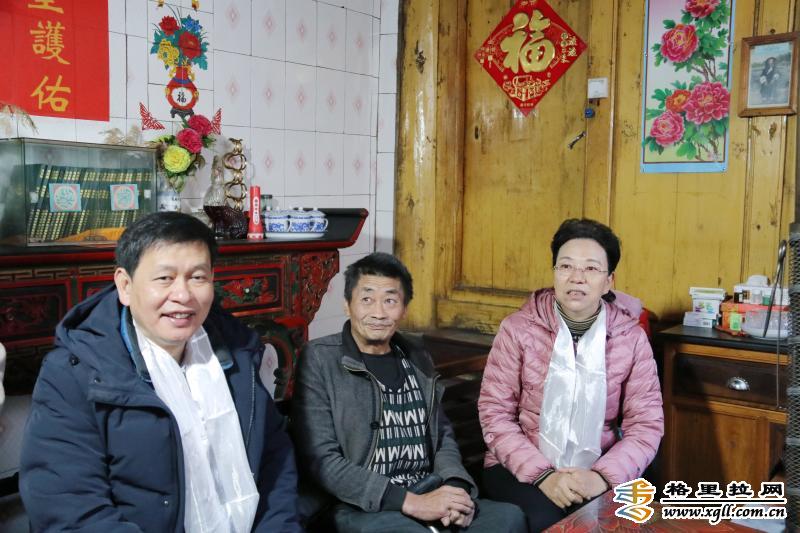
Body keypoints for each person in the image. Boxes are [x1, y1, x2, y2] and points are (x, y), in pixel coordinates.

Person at [20, 212, 302, 532]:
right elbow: (69, 506)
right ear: (125, 286)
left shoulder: (236, 352)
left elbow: (274, 460)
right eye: (165, 278)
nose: (183, 295)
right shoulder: (73, 373)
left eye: (197, 277)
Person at [291, 252, 526, 532]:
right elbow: (322, 460)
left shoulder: (415, 356)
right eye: (367, 299)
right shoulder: (320, 359)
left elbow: (442, 437)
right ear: (347, 305)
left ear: (404, 310)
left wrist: (455, 490)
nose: (378, 313)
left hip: (428, 488)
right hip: (360, 505)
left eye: (390, 301)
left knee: (509, 518)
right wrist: (410, 502)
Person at [478, 218, 663, 532]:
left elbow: (645, 424)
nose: (577, 277)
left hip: (600, 467)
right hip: (519, 466)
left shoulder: (630, 338)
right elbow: (494, 413)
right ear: (554, 273)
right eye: (566, 266)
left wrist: (601, 477)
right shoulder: (518, 329)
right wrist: (543, 476)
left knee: (627, 519)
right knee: (552, 521)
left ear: (608, 281)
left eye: (591, 268)